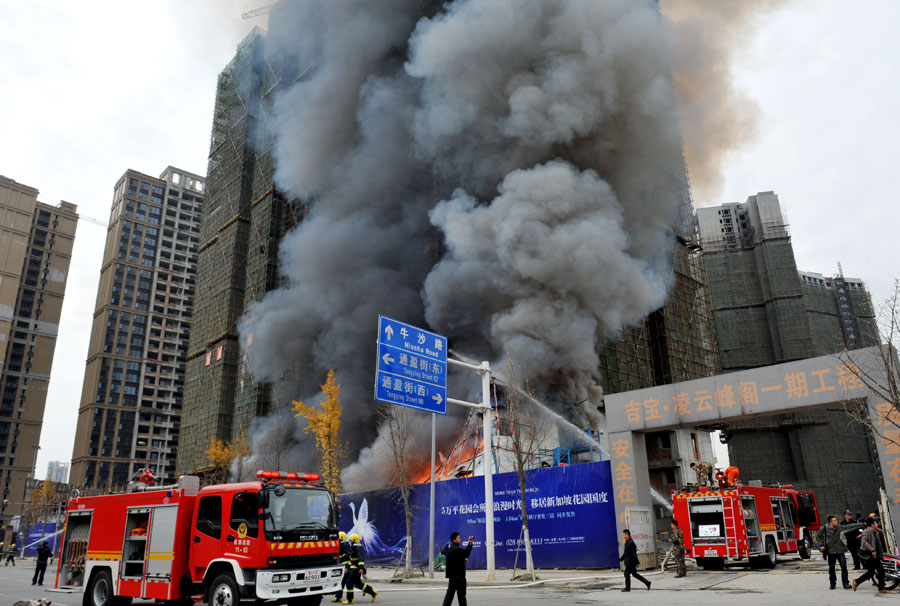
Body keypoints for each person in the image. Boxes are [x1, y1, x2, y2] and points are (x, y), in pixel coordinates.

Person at [816, 515, 862, 590]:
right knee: (831, 568)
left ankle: (845, 583)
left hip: (840, 550)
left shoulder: (839, 528)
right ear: (830, 522)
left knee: (844, 567)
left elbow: (849, 526)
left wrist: (862, 524)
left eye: (836, 520)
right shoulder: (824, 529)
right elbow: (818, 536)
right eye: (835, 520)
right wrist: (822, 545)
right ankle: (832, 583)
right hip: (830, 551)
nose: (837, 522)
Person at [852, 517, 888, 594]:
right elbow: (864, 542)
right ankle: (881, 588)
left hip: (874, 555)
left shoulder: (874, 531)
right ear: (872, 524)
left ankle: (857, 581)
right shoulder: (867, 531)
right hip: (870, 555)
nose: (877, 524)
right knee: (880, 570)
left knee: (871, 572)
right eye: (876, 523)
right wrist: (872, 550)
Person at [342, 533, 377, 604]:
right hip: (354, 568)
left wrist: (361, 568)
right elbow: (352, 559)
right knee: (357, 584)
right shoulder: (354, 548)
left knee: (349, 582)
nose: (350, 542)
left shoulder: (358, 548)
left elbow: (361, 559)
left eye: (351, 541)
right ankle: (373, 592)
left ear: (353, 541)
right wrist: (347, 567)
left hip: (356, 569)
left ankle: (350, 600)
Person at [441, 532, 473, 606]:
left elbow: (454, 559)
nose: (460, 539)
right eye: (458, 538)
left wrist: (462, 559)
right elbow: (466, 553)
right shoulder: (457, 549)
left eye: (460, 538)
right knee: (461, 597)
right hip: (459, 578)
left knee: (449, 596)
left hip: (452, 577)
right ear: (454, 540)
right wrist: (470, 543)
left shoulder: (450, 549)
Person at [332, 531, 351, 603]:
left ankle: (371, 592)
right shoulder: (341, 545)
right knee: (341, 582)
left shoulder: (345, 545)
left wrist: (347, 567)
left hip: (346, 567)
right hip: (342, 566)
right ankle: (338, 597)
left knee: (352, 583)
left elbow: (350, 556)